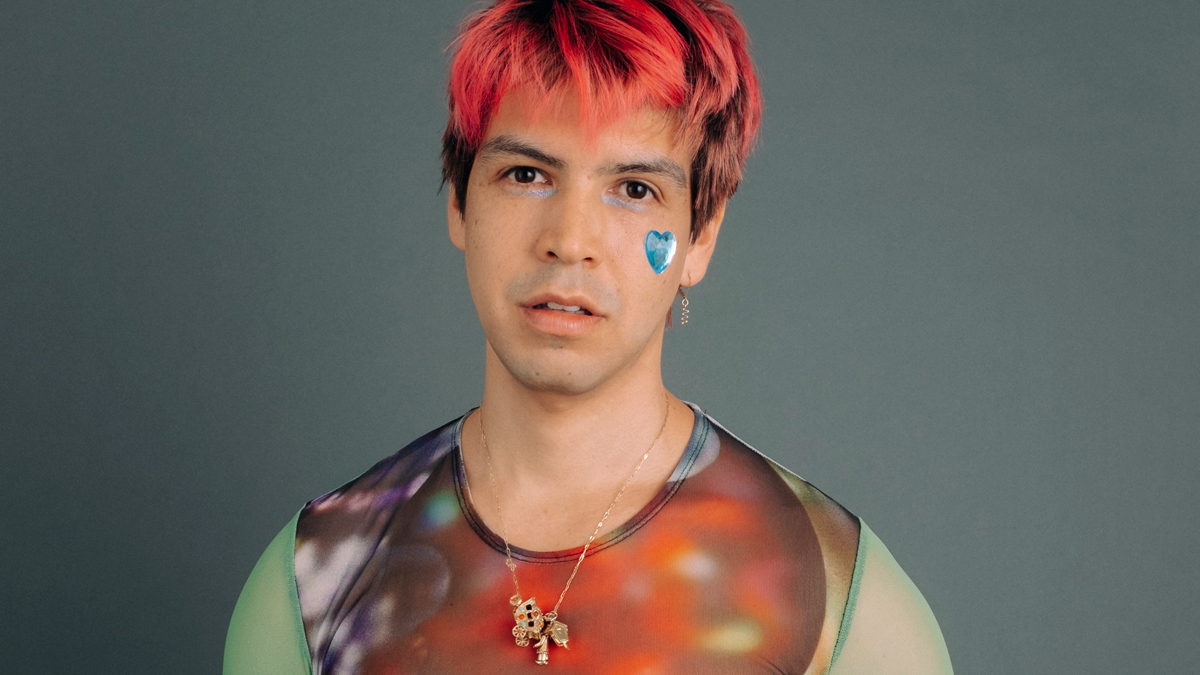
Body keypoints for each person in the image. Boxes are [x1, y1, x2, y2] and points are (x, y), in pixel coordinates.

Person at [223, 1, 953, 673]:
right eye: (526, 173)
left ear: (701, 235)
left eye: (635, 189)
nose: (570, 240)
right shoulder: (319, 578)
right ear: (459, 202)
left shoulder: (827, 593)